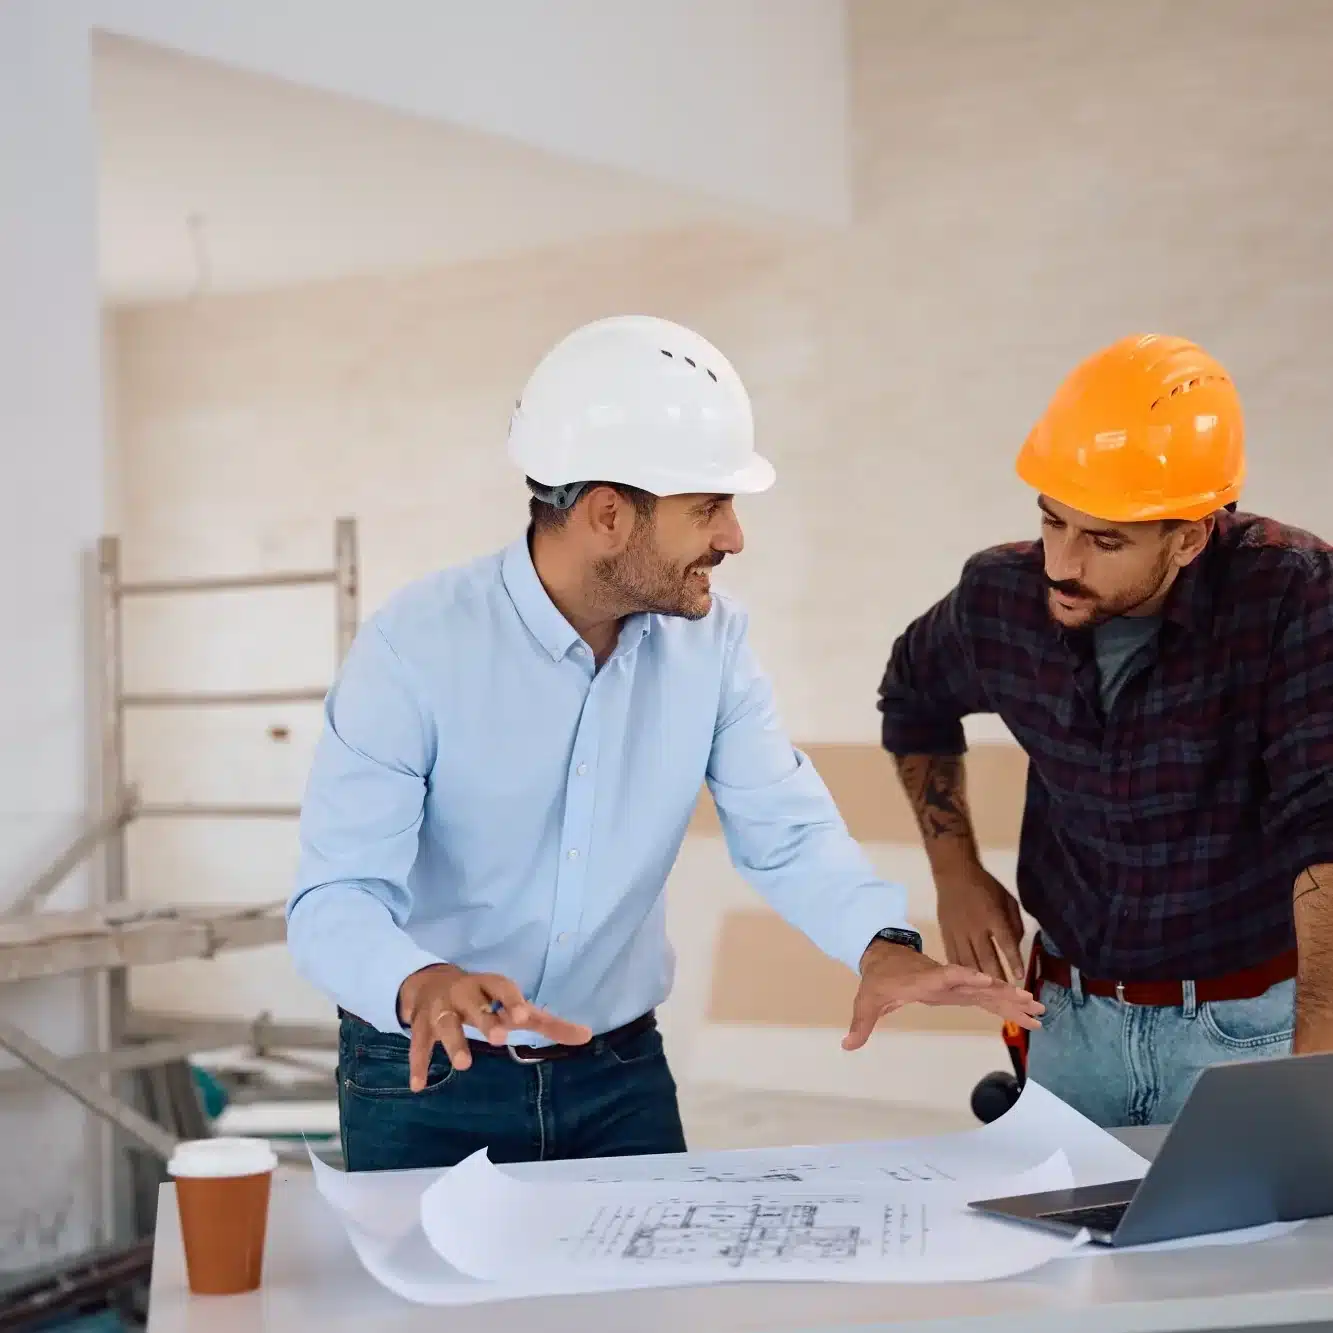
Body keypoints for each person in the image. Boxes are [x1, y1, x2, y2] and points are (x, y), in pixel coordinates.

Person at [288, 315, 1042, 1171]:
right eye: (707, 508)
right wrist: (418, 981)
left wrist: (882, 948)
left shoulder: (710, 645)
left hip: (619, 1079)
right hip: (427, 1072)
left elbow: (783, 830)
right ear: (609, 514)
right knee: (442, 1313)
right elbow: (334, 896)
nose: (733, 537)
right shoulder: (413, 648)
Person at [877, 333, 1333, 1128]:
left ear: (1189, 537)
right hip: (1068, 1023)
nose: (1061, 561)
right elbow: (911, 695)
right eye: (1052, 521)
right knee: (1062, 1254)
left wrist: (1316, 1062)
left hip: (1248, 1032)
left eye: (1104, 539)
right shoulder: (999, 597)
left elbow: (1321, 827)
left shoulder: (1289, 597)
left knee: (1254, 1255)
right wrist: (954, 870)